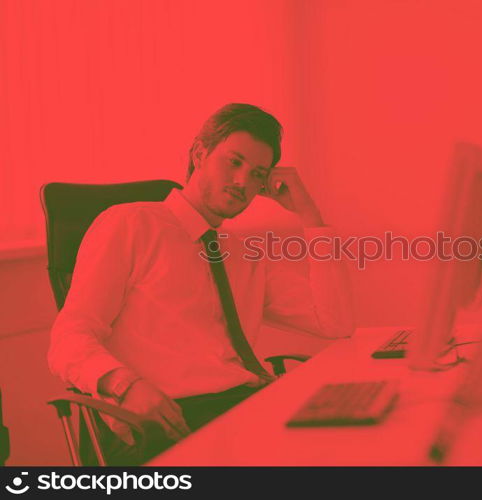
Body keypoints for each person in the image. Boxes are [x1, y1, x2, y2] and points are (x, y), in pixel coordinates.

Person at [47, 103, 354, 464]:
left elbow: (335, 322)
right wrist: (126, 386)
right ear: (199, 152)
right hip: (172, 419)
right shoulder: (130, 225)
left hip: (246, 407)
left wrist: (310, 215)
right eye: (234, 162)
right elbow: (69, 338)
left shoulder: (241, 254)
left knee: (357, 441)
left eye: (258, 174)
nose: (243, 182)